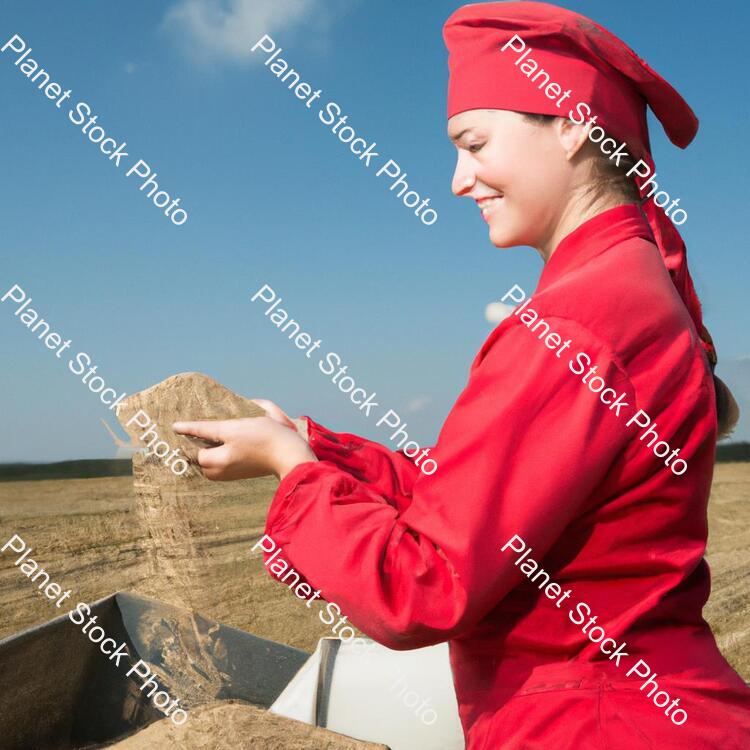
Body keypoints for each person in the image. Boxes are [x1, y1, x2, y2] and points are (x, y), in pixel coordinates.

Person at [173, 3, 749, 747]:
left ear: (572, 124)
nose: (456, 181)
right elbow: (476, 504)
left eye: (474, 144)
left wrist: (293, 472)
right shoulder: (630, 286)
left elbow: (425, 584)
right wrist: (311, 443)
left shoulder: (578, 321)